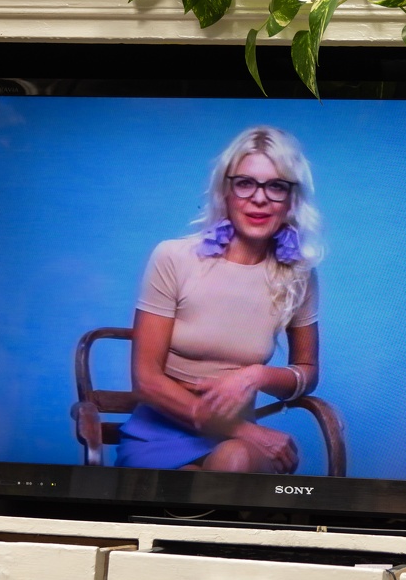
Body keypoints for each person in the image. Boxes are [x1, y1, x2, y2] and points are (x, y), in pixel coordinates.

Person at [118, 125, 323, 474]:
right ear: (225, 191)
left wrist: (255, 376)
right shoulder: (173, 258)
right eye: (245, 183)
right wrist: (244, 430)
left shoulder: (298, 275)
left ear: (291, 199)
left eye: (276, 186)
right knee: (189, 488)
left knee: (234, 460)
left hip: (236, 446)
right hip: (162, 432)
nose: (259, 198)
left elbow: (307, 370)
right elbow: (146, 379)